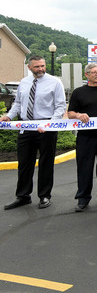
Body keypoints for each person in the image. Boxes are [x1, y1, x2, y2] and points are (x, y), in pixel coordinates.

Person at [2, 55, 66, 210]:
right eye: (37, 67)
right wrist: (8, 116)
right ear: (29, 67)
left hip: (46, 127)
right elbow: (18, 104)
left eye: (42, 66)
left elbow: (60, 106)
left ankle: (44, 196)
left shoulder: (55, 82)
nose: (41, 69)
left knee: (45, 163)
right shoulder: (24, 82)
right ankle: (23, 196)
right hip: (26, 126)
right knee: (24, 163)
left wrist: (50, 124)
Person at [67, 64, 97, 212]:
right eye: (94, 72)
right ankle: (82, 199)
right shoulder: (78, 92)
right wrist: (78, 115)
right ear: (86, 75)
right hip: (85, 138)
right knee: (84, 169)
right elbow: (70, 114)